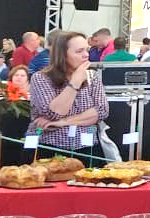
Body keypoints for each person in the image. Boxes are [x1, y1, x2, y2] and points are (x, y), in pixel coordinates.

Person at [28, 31, 108, 163]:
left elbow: (101, 111)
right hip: (50, 148)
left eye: (87, 50)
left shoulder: (93, 76)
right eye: (79, 51)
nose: (86, 55)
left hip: (87, 147)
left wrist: (63, 122)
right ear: (62, 55)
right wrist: (75, 82)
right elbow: (54, 113)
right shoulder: (40, 78)